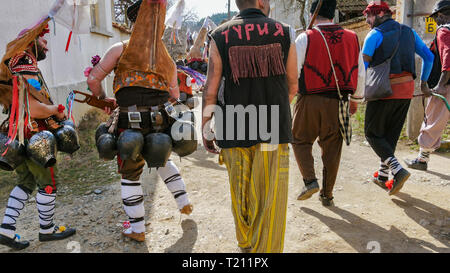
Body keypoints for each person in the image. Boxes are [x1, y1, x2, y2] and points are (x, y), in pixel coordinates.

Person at [86, 0, 192, 243]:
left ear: (133, 22)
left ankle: (137, 228)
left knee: (130, 171)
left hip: (128, 121)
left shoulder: (119, 49)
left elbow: (93, 79)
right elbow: (175, 96)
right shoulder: (166, 58)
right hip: (160, 121)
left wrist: (103, 98)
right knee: (160, 155)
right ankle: (184, 202)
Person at [202, 0, 298, 253]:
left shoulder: (220, 35)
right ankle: (265, 250)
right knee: (270, 198)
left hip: (232, 124)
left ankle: (246, 242)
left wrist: (205, 126)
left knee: (240, 190)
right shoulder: (285, 32)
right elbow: (293, 84)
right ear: (260, 2)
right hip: (273, 128)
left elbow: (210, 89)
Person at [0, 23, 76, 250]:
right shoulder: (25, 63)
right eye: (44, 42)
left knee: (26, 181)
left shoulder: (14, 64)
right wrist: (55, 110)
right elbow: (32, 108)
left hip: (15, 132)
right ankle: (47, 228)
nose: (47, 47)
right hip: (34, 132)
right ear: (32, 42)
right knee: (48, 182)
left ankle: (5, 230)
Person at [293, 0, 365, 206]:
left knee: (299, 140)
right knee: (333, 148)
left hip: (309, 101)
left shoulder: (305, 38)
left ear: (311, 14)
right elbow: (360, 73)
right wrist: (356, 100)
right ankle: (328, 194)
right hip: (340, 101)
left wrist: (293, 94)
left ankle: (309, 180)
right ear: (333, 14)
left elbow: (294, 72)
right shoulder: (352, 37)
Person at [362, 1, 434, 194]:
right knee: (390, 134)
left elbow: (365, 67)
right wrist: (424, 83)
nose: (367, 21)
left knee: (372, 133)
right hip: (406, 90)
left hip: (384, 89)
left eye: (368, 16)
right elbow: (429, 57)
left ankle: (398, 170)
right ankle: (383, 175)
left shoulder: (374, 34)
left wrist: (362, 91)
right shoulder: (409, 32)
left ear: (378, 15)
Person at [405, 0, 450, 171]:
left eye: (437, 17)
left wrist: (440, 85)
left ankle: (422, 160)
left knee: (432, 121)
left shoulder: (444, 31)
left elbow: (447, 60)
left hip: (445, 86)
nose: (436, 21)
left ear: (441, 15)